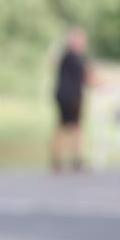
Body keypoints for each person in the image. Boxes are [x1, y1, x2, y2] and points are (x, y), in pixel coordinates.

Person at [51, 27, 93, 172]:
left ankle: (59, 161)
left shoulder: (65, 56)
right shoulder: (74, 57)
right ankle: (75, 160)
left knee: (64, 127)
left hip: (63, 95)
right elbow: (88, 76)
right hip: (71, 96)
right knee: (74, 127)